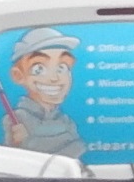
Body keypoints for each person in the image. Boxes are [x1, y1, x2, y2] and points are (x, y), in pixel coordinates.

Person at [5, 26, 85, 158]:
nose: (54, 78)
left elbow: (78, 149)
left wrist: (31, 142)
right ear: (18, 75)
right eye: (39, 69)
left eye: (62, 67)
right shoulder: (17, 119)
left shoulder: (65, 120)